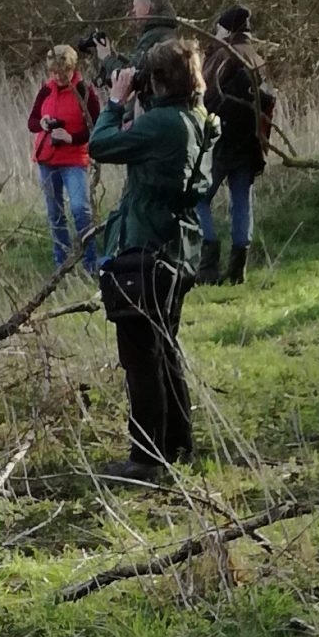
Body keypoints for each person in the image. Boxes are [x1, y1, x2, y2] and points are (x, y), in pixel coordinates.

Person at [86, 33, 219, 485]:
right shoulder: (197, 116)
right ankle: (178, 444)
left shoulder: (163, 125)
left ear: (159, 82)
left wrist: (115, 101)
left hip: (147, 246)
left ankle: (146, 459)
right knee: (164, 348)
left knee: (141, 356)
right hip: (179, 246)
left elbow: (100, 146)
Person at [197, 5, 272, 284]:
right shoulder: (257, 59)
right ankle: (237, 269)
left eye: (219, 27)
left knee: (198, 198)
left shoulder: (222, 56)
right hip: (250, 142)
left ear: (227, 29)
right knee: (241, 203)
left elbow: (206, 98)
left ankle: (208, 262)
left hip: (221, 141)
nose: (216, 32)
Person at [28, 41, 101, 277]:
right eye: (54, 73)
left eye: (63, 72)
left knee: (80, 209)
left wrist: (71, 137)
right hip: (47, 160)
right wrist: (42, 123)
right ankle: (62, 264)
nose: (59, 77)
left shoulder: (85, 91)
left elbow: (96, 127)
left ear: (73, 69)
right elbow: (32, 122)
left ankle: (91, 262)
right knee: (55, 213)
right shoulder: (45, 90)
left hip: (74, 160)